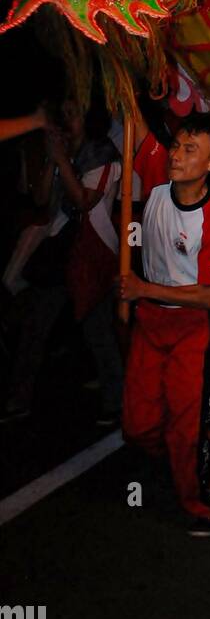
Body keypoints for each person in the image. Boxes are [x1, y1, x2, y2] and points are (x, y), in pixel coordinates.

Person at [120, 113, 210, 538]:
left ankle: (199, 500)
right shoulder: (155, 182)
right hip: (150, 325)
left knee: (187, 427)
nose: (177, 156)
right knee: (137, 425)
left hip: (193, 330)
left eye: (191, 150)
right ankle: (169, 463)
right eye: (177, 146)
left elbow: (209, 296)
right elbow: (133, 119)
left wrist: (144, 288)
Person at [1, 102, 122, 427]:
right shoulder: (62, 148)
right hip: (59, 252)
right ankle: (18, 399)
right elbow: (41, 200)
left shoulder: (103, 153)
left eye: (73, 111)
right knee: (35, 326)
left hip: (92, 250)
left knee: (98, 331)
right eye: (64, 110)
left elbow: (84, 201)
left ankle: (116, 401)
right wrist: (50, 161)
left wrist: (61, 161)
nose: (66, 117)